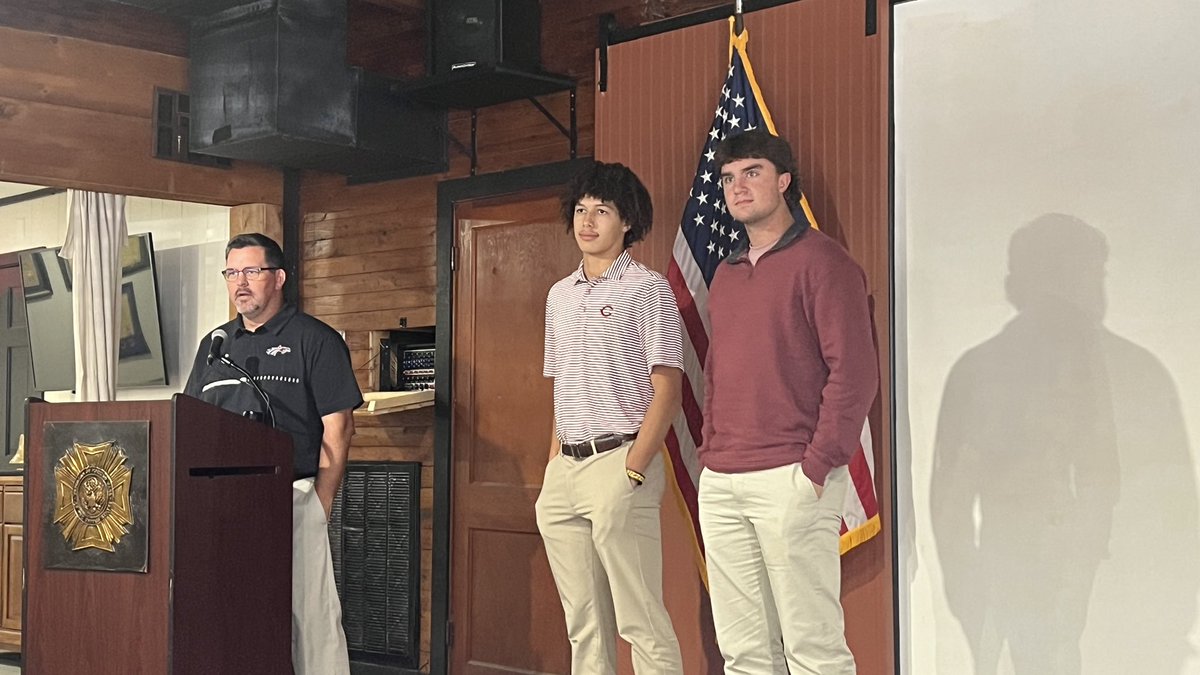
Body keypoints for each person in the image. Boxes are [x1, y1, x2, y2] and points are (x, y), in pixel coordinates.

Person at [698, 130, 877, 674]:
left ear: (783, 180)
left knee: (813, 650)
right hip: (723, 479)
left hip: (793, 478)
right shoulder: (725, 275)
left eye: (751, 172)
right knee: (744, 653)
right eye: (728, 178)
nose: (737, 187)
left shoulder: (825, 263)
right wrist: (710, 452)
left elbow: (856, 373)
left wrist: (818, 466)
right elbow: (715, 374)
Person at [184, 233, 362, 675]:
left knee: (309, 618)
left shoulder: (314, 340)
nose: (240, 282)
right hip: (220, 507)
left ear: (278, 278)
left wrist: (319, 502)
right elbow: (189, 422)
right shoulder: (215, 346)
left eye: (251, 271)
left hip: (292, 498)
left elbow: (338, 429)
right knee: (231, 615)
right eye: (231, 273)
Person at [535, 161, 685, 674]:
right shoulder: (559, 295)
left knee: (640, 619)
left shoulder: (647, 289)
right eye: (580, 209)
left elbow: (668, 389)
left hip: (621, 461)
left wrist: (637, 464)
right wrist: (552, 465)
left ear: (628, 222)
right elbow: (562, 386)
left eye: (603, 210)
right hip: (566, 472)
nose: (588, 220)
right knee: (584, 624)